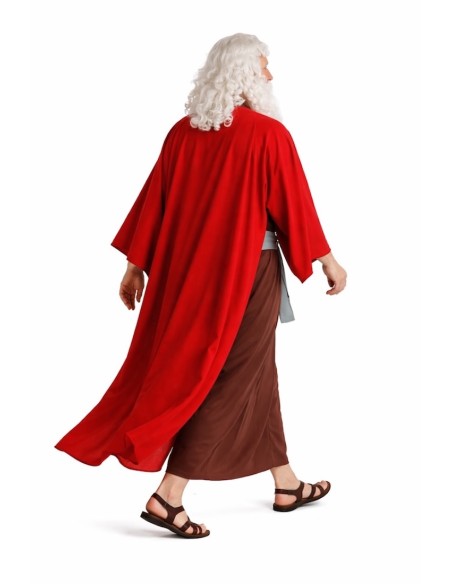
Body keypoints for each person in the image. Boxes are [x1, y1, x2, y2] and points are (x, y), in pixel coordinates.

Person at [55, 32, 347, 539]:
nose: (271, 75)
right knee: (232, 375)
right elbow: (293, 202)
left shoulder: (182, 133)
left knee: (256, 372)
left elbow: (155, 203)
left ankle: (286, 483)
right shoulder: (267, 134)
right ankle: (169, 496)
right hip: (245, 276)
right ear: (246, 73)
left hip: (187, 277)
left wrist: (135, 267)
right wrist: (327, 259)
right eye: (264, 65)